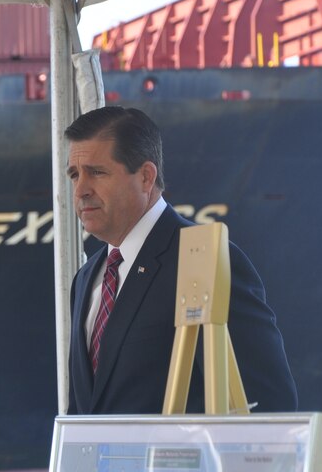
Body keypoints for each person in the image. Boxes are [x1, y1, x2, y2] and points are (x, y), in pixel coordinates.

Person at [64, 106, 297, 415]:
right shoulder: (86, 277)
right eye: (74, 174)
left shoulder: (205, 259)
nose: (80, 190)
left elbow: (269, 404)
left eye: (97, 172)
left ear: (146, 176)